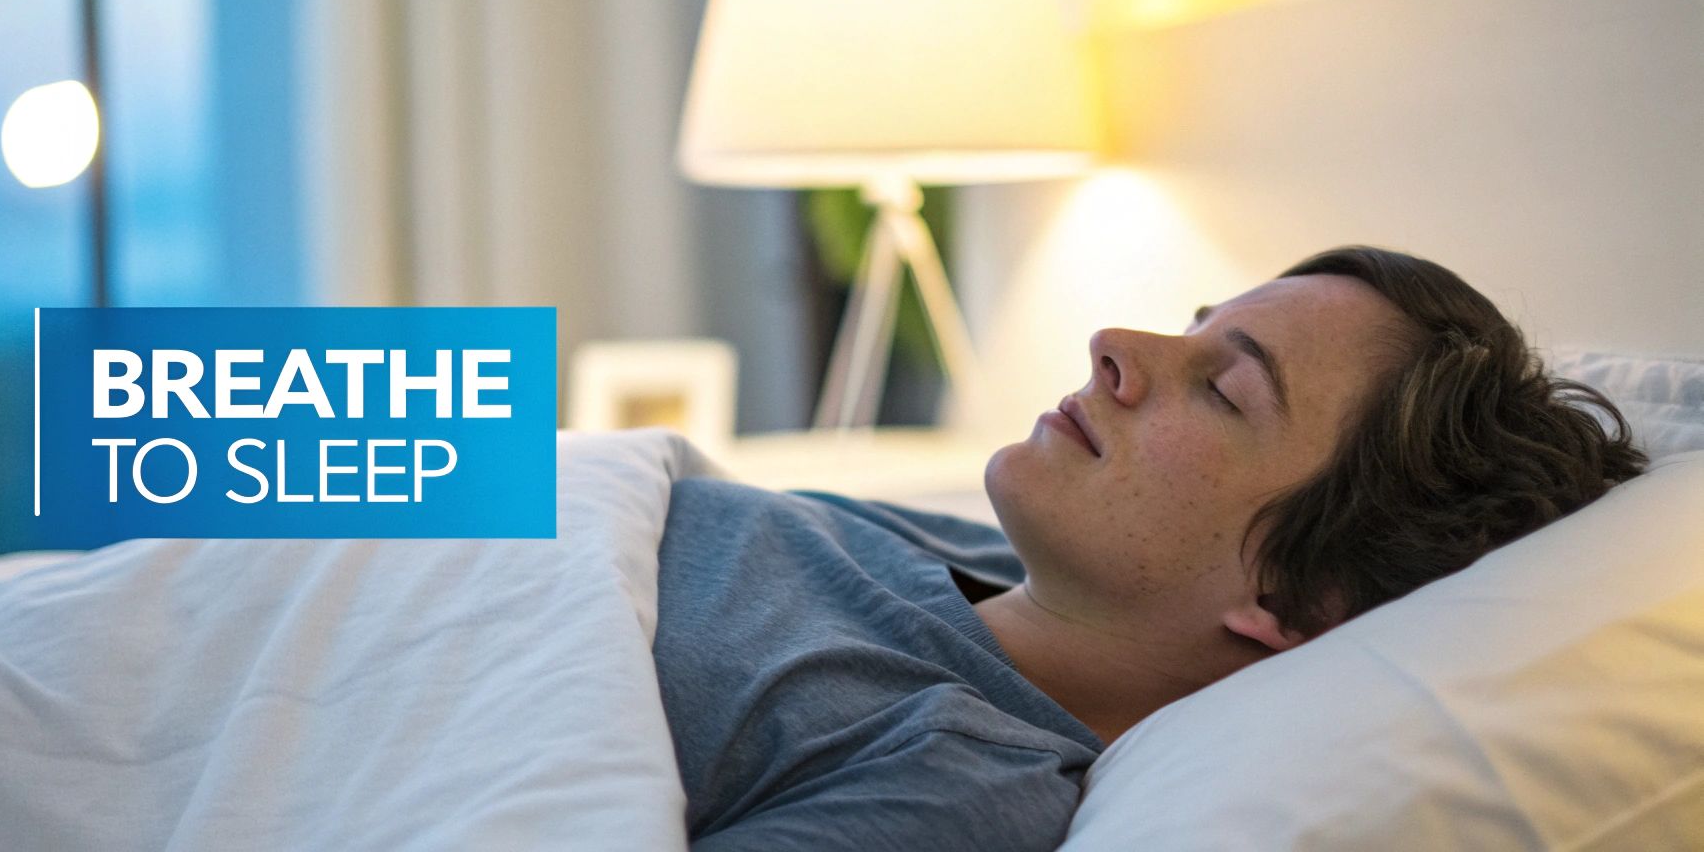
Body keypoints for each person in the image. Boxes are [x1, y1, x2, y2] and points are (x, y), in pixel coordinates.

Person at [651, 246, 1646, 851]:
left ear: (1295, 600)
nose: (1114, 343)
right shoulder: (950, 545)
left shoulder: (951, 787)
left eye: (1222, 389)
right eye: (1192, 328)